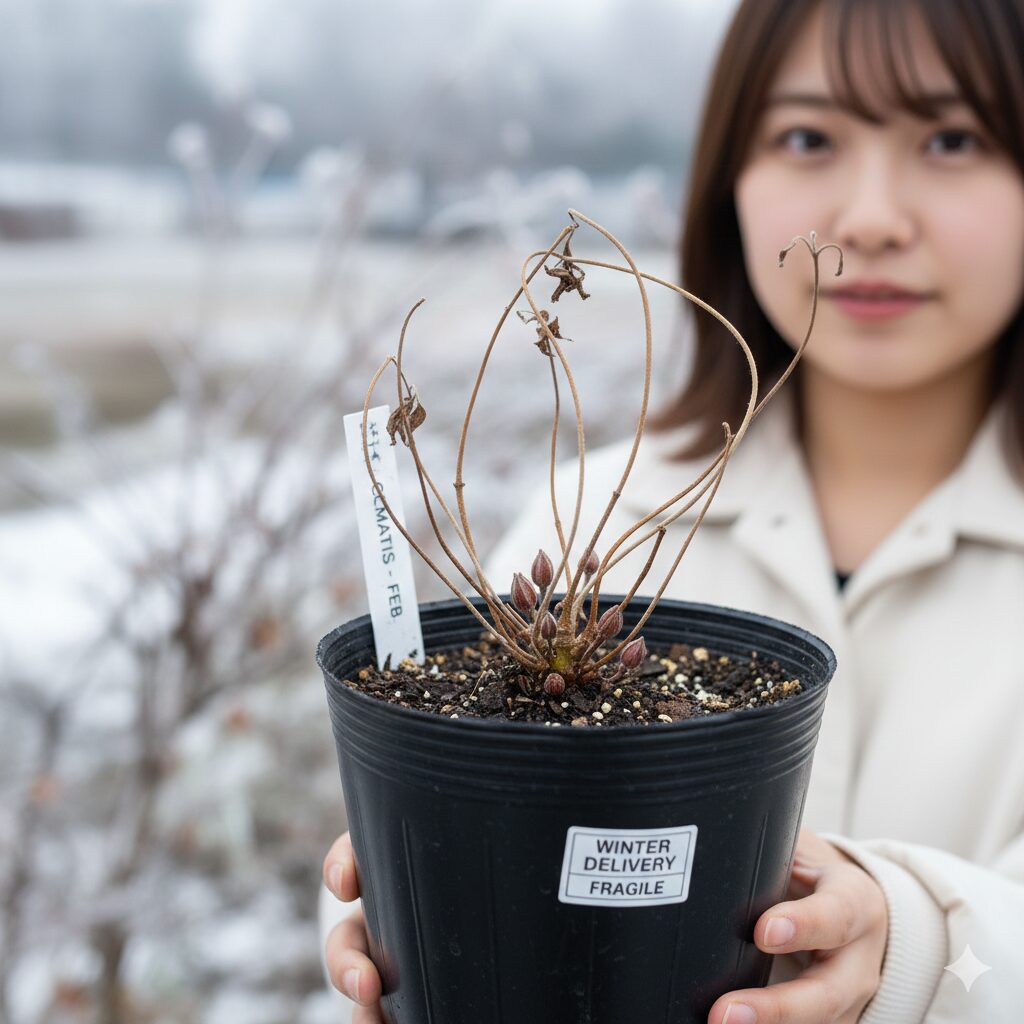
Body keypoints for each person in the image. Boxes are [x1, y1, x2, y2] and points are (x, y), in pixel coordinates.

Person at [319, 0, 1024, 1020]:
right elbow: (399, 818)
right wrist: (398, 912)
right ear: (727, 178)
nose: (872, 219)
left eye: (951, 139)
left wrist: (915, 944)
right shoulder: (599, 508)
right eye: (808, 137)